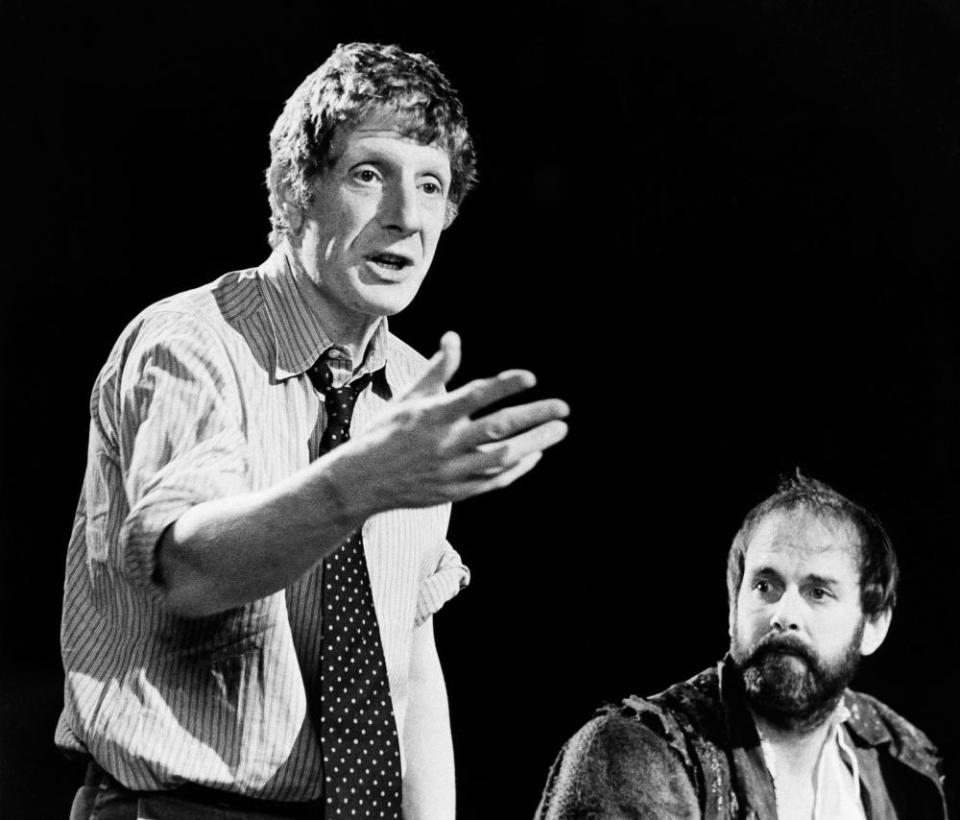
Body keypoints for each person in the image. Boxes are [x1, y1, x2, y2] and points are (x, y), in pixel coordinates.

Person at [57, 42, 570, 820]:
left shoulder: (411, 394)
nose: (405, 215)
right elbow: (190, 568)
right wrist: (355, 484)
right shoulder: (192, 343)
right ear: (297, 190)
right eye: (370, 174)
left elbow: (408, 661)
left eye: (430, 186)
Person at [536, 474, 950, 819]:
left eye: (818, 592)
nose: (783, 614)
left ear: (874, 624)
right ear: (734, 603)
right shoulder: (635, 754)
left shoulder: (904, 760)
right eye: (764, 586)